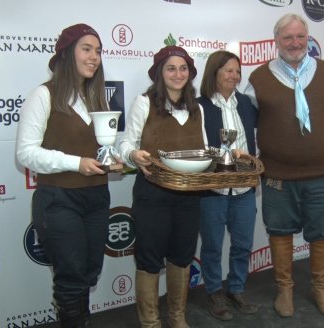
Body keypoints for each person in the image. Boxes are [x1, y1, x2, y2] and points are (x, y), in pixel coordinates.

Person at [244, 13, 324, 318]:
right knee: (279, 232)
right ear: (275, 41)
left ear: (308, 38)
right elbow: (242, 125)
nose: (294, 43)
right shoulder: (257, 79)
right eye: (287, 37)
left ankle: (320, 289)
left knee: (323, 233)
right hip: (277, 176)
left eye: (300, 37)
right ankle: (285, 289)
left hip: (323, 174)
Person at [16, 23, 111, 327]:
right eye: (86, 48)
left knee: (88, 273)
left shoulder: (96, 99)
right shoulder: (44, 95)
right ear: (67, 53)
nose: (94, 56)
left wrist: (115, 159)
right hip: (59, 200)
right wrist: (76, 163)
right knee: (71, 278)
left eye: (97, 50)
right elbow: (25, 153)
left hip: (96, 198)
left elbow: (97, 149)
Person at [119, 45, 205, 328]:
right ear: (159, 73)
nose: (178, 74)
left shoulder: (198, 109)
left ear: (190, 73)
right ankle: (151, 322)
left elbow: (203, 150)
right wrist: (133, 154)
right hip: (152, 194)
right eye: (171, 68)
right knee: (149, 259)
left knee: (182, 256)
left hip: (188, 194)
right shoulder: (144, 103)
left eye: (183, 68)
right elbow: (126, 144)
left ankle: (177, 316)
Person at [196, 50, 258, 321]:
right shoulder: (198, 106)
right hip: (213, 190)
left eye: (237, 71)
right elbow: (194, 148)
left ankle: (236, 288)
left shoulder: (247, 104)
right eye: (228, 70)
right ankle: (213, 292)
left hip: (244, 189)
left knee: (243, 244)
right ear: (214, 73)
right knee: (211, 246)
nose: (234, 75)